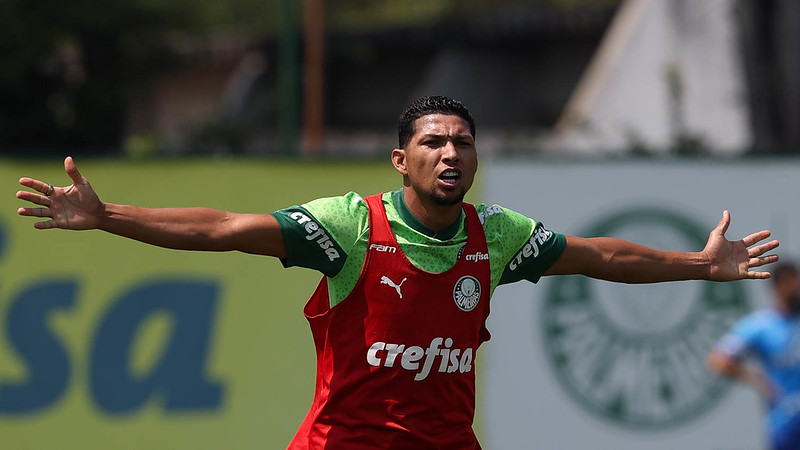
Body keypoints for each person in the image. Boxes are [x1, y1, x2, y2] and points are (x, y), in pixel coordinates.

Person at [17, 96, 779, 449]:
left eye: (465, 144)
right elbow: (223, 229)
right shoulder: (353, 227)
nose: (452, 154)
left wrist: (697, 265)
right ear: (402, 158)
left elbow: (599, 255)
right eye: (436, 142)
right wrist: (109, 214)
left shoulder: (494, 235)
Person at [707, 261, 800, 450]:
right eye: (794, 283)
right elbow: (718, 359)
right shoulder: (761, 325)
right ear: (779, 286)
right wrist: (759, 381)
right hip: (787, 421)